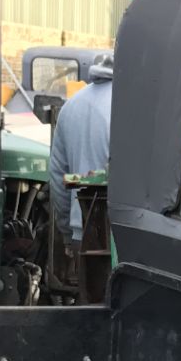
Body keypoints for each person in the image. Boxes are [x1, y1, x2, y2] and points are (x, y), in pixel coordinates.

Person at [47, 53, 114, 247]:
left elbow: (58, 177)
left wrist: (68, 232)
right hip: (122, 236)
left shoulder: (71, 106)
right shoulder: (130, 105)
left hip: (82, 231)